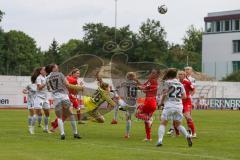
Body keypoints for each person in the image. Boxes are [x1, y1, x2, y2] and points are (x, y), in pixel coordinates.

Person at [45, 64, 83, 140]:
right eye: (56, 67)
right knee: (71, 115)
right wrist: (79, 87)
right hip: (64, 96)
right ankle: (75, 133)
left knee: (59, 117)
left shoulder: (47, 78)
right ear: (53, 68)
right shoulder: (60, 74)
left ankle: (62, 134)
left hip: (56, 98)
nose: (58, 67)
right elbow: (67, 85)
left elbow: (49, 89)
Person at [156, 68, 192, 147]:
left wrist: (161, 103)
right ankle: (187, 136)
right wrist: (177, 97)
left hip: (169, 105)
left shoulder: (167, 83)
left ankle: (160, 141)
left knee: (163, 123)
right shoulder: (180, 84)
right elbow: (185, 96)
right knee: (178, 125)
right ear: (175, 75)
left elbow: (164, 94)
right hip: (179, 106)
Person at [135, 69, 160, 141]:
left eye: (153, 73)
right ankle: (148, 137)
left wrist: (141, 87)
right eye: (151, 72)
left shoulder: (154, 81)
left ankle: (149, 119)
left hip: (150, 101)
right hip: (151, 101)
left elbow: (146, 89)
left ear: (157, 75)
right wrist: (137, 81)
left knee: (137, 114)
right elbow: (144, 87)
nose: (151, 74)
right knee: (146, 122)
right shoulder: (150, 80)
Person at [115, 72, 138, 138]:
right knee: (129, 118)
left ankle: (115, 118)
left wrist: (116, 90)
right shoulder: (136, 83)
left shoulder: (125, 83)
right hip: (133, 105)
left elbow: (117, 87)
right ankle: (127, 134)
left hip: (126, 104)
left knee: (116, 99)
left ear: (127, 77)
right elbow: (141, 87)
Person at [35, 67, 51, 133]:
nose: (45, 71)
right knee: (39, 112)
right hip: (39, 97)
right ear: (40, 71)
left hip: (46, 98)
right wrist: (45, 82)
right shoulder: (39, 78)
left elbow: (49, 88)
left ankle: (46, 128)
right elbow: (39, 88)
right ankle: (38, 123)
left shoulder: (46, 77)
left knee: (47, 113)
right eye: (44, 70)